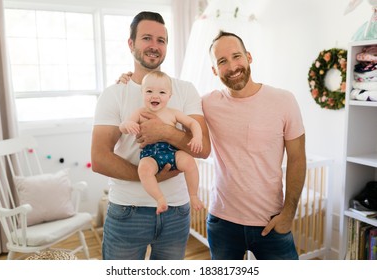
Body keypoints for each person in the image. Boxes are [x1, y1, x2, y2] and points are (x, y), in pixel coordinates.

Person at [91, 11, 210, 260]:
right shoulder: (114, 94)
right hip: (127, 212)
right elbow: (100, 158)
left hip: (176, 213)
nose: (154, 46)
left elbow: (204, 148)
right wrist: (152, 177)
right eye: (147, 38)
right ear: (131, 43)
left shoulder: (185, 90)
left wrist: (164, 132)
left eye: (161, 40)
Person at [203, 30, 306, 260]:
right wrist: (132, 82)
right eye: (222, 61)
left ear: (249, 57)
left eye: (236, 56)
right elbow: (168, 98)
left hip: (271, 221)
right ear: (214, 70)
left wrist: (288, 213)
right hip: (222, 222)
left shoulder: (284, 100)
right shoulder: (207, 103)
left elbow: (297, 157)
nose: (232, 66)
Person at [119, 70, 205, 214]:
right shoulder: (140, 113)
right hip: (150, 154)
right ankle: (159, 198)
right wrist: (127, 125)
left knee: (190, 162)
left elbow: (193, 123)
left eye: (162, 93)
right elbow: (123, 126)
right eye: (149, 91)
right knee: (144, 169)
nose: (155, 96)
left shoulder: (173, 112)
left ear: (170, 96)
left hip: (172, 152)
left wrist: (197, 137)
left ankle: (193, 195)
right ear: (142, 93)